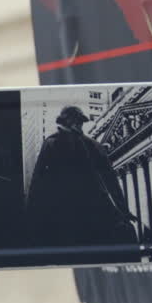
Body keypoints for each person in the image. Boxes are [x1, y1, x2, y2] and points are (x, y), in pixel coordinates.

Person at [25, 106, 139, 248]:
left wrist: (124, 211)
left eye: (80, 122)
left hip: (72, 215)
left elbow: (38, 183)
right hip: (84, 213)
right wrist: (123, 210)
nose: (79, 125)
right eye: (76, 121)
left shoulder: (55, 143)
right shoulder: (90, 145)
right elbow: (39, 182)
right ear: (68, 122)